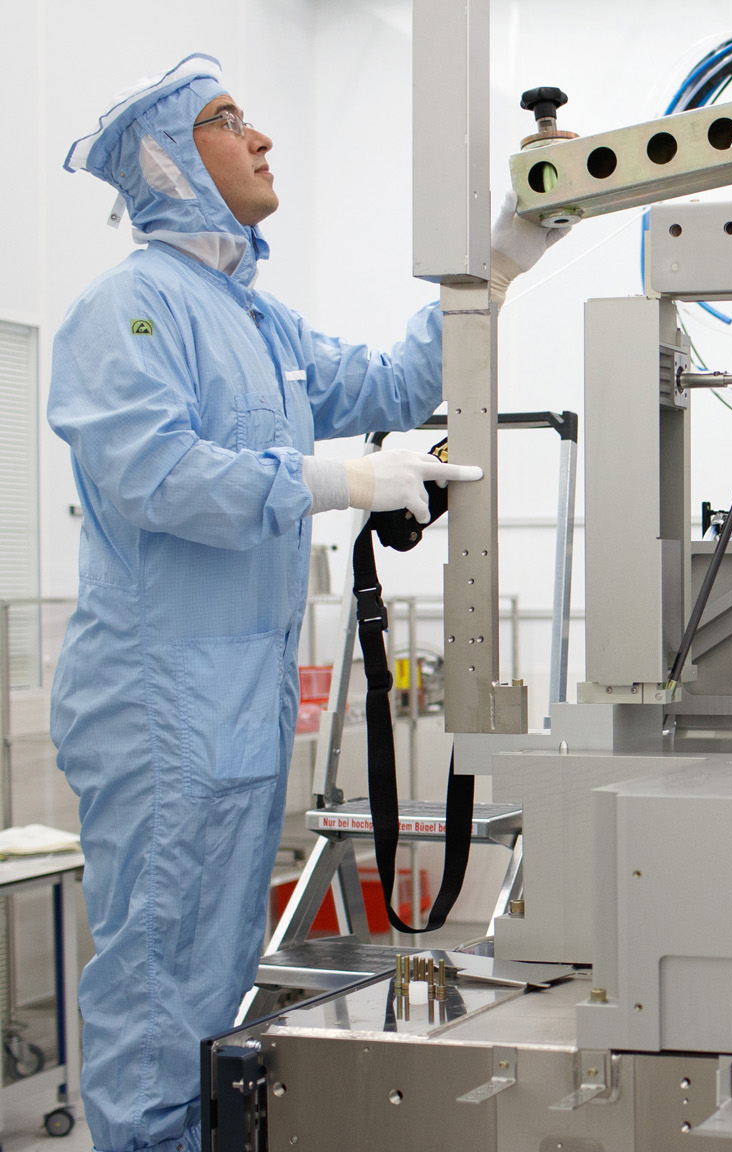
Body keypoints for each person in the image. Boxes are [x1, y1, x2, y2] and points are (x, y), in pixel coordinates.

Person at [48, 55, 564, 1152]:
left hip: (234, 707)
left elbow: (390, 380)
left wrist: (505, 253)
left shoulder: (259, 321)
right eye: (227, 120)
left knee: (212, 980)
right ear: (167, 162)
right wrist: (342, 478)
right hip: (159, 710)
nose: (262, 138)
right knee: (158, 988)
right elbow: (153, 475)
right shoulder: (128, 308)